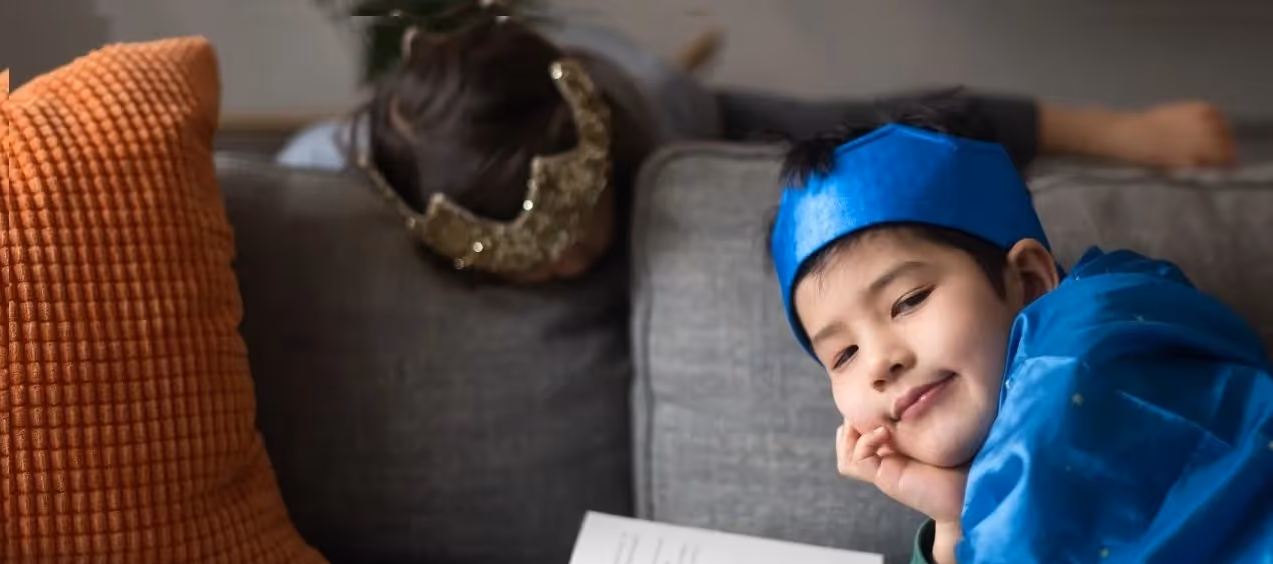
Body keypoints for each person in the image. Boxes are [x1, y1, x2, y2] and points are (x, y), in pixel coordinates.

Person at [769, 107, 1273, 564]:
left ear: (1030, 282)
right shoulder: (1016, 448)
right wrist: (954, 521)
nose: (881, 361)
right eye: (843, 353)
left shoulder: (1075, 379)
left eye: (908, 300)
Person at [276, 8, 1238, 284]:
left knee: (848, 117)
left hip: (648, 85)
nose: (573, 253)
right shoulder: (329, 175)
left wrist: (1116, 138)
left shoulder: (659, 109)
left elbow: (877, 121)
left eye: (579, 214)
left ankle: (1101, 119)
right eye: (536, 251)